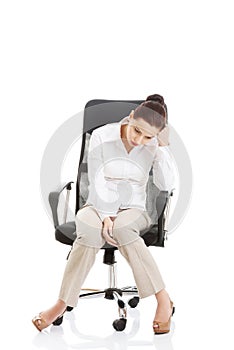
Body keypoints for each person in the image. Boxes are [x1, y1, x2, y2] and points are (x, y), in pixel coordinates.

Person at [32, 94, 176, 335]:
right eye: (137, 131)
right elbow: (96, 180)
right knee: (88, 229)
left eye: (148, 136)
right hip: (97, 205)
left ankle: (163, 299)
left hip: (134, 210)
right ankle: (62, 302)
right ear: (130, 118)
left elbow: (166, 183)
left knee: (122, 228)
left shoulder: (153, 145)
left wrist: (162, 148)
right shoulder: (102, 135)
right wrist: (106, 215)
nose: (140, 140)